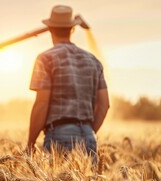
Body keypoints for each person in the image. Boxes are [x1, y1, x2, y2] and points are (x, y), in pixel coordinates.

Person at [27, 5, 109, 163]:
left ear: (50, 29)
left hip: (59, 134)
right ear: (72, 30)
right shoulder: (93, 61)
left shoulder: (45, 59)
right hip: (89, 135)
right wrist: (88, 132)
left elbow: (41, 104)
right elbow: (104, 105)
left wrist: (30, 143)